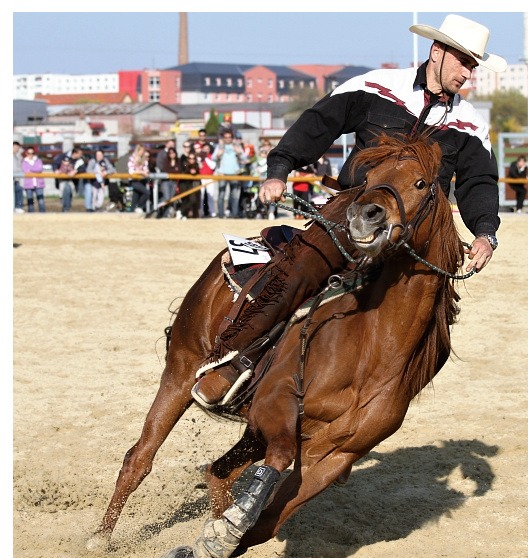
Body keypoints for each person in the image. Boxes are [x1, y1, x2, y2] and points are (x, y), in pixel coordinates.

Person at [193, 13, 505, 406]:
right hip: (352, 212)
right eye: (464, 62)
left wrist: (485, 232)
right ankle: (240, 359)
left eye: (473, 66)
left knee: (434, 318)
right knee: (301, 267)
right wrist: (280, 169)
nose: (468, 73)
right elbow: (318, 123)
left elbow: (478, 183)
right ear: (437, 52)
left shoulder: (470, 124)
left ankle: (381, 401)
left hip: (417, 233)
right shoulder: (375, 86)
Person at [212, 129, 246, 218]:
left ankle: (234, 214)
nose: (227, 139)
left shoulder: (237, 146)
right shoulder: (219, 147)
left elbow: (245, 159)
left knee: (234, 196)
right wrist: (218, 155)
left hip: (234, 174)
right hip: (222, 174)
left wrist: (239, 153)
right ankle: (220, 214)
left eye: (229, 137)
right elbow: (213, 158)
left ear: (232, 138)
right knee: (221, 195)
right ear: (223, 138)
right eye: (225, 137)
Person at [21, 146, 46, 213]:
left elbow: (40, 169)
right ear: (26, 153)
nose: (30, 155)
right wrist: (35, 169)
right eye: (29, 153)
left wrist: (31, 169)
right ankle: (31, 214)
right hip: (29, 184)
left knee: (41, 200)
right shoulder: (24, 161)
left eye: (32, 153)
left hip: (39, 183)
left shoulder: (38, 160)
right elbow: (25, 170)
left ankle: (43, 214)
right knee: (30, 200)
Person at [128, 145, 151, 213]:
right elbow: (131, 171)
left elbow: (146, 169)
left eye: (143, 151)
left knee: (135, 196)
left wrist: (146, 172)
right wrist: (142, 172)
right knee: (146, 193)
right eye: (141, 151)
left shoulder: (144, 159)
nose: (142, 152)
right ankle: (139, 207)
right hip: (134, 180)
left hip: (141, 180)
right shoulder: (132, 158)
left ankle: (132, 211)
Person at [178, 152, 202, 219]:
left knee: (193, 200)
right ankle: (184, 215)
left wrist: (196, 171)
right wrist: (189, 171)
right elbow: (183, 171)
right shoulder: (185, 164)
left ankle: (181, 212)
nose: (192, 160)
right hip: (184, 184)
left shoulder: (197, 165)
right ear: (188, 159)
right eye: (190, 158)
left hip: (192, 185)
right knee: (185, 200)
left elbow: (198, 172)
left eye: (193, 158)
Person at [198, 142, 217, 218]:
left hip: (209, 177)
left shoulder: (211, 157)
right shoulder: (198, 157)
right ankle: (201, 212)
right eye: (204, 149)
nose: (206, 150)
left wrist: (205, 158)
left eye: (207, 149)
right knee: (201, 196)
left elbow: (212, 166)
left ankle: (212, 212)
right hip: (201, 178)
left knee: (211, 196)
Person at [14, 141, 24, 213]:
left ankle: (18, 207)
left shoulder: (17, 156)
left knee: (19, 190)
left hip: (15, 179)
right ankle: (17, 206)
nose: (17, 149)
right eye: (15, 147)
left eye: (18, 148)